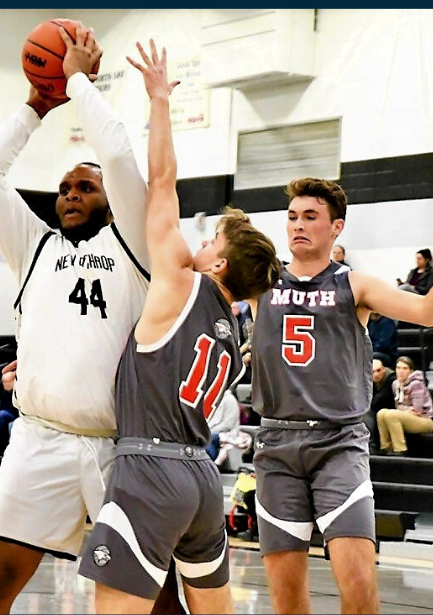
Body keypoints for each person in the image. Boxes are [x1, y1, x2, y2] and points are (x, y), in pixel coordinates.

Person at [0, 25, 169, 614]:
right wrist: (35, 106)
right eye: (64, 188)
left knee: (155, 602)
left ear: (109, 199)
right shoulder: (33, 248)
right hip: (38, 440)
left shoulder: (134, 246)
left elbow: (123, 157)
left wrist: (79, 81)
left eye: (86, 185)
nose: (72, 194)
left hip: (118, 447)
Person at [77, 39, 281, 614]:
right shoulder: (234, 334)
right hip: (200, 481)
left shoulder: (181, 284)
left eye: (211, 238)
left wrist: (159, 98)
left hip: (148, 469)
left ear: (217, 265)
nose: (200, 240)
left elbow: (161, 182)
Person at [247, 177, 433, 613]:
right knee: (286, 599)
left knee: (358, 587)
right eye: (293, 217)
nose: (298, 225)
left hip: (338, 444)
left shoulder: (355, 284)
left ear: (336, 227)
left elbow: (429, 313)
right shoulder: (260, 279)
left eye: (310, 217)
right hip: (276, 444)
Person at [376, 357, 433, 456]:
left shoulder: (416, 384)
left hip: (424, 420)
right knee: (381, 413)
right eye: (398, 368)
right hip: (408, 417)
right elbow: (398, 406)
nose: (401, 371)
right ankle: (386, 447)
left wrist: (403, 410)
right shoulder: (395, 384)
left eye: (404, 368)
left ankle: (400, 449)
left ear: (411, 371)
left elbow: (417, 410)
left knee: (391, 414)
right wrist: (406, 410)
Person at [364, 359, 396, 452]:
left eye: (378, 371)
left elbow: (377, 401)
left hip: (391, 409)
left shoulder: (391, 379)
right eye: (373, 372)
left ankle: (373, 443)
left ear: (384, 370)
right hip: (379, 410)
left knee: (369, 413)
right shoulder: (369, 381)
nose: (376, 374)